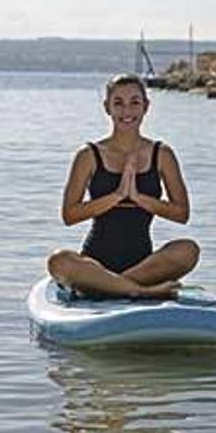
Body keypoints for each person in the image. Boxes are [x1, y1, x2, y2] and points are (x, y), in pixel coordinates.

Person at [45, 73, 198, 299]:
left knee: (188, 250)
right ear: (107, 107)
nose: (127, 111)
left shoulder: (161, 154)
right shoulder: (88, 155)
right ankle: (139, 291)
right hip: (95, 264)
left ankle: (111, 287)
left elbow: (181, 213)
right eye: (118, 103)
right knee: (59, 261)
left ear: (146, 107)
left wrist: (138, 197)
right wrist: (117, 196)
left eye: (135, 103)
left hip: (144, 266)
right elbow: (70, 215)